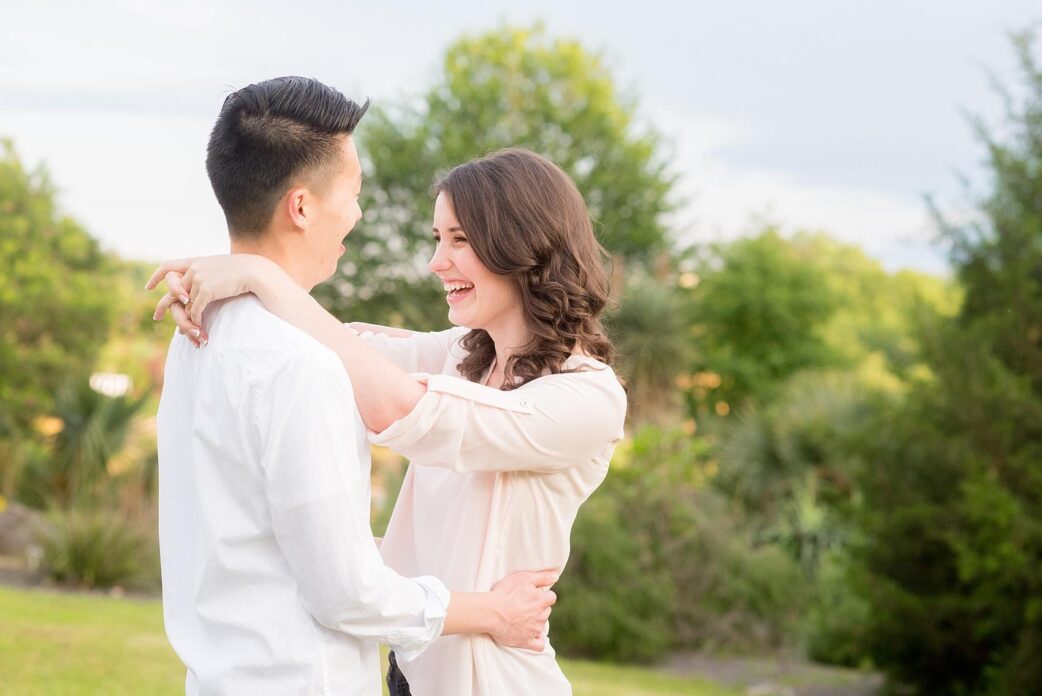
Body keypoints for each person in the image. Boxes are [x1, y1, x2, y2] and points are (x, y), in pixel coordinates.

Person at [151, 147, 627, 695]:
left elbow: (412, 412)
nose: (436, 262)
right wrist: (220, 295)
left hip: (495, 681)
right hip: (410, 671)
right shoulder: (464, 355)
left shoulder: (587, 397)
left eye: (460, 240)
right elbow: (342, 345)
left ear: (522, 245)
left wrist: (259, 274)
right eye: (437, 238)